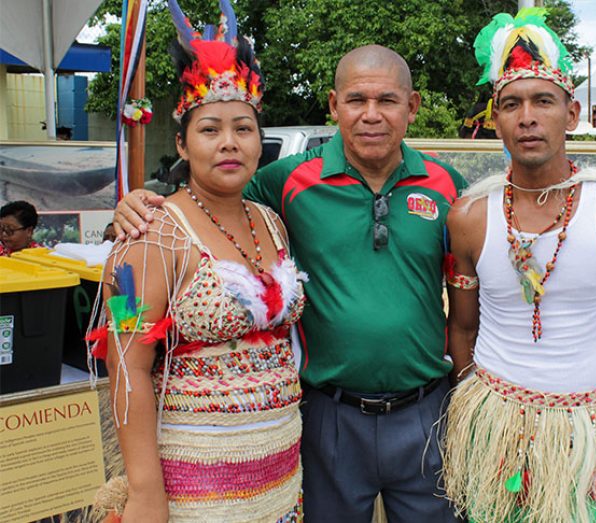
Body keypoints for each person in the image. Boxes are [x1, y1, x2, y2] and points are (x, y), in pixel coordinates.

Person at [112, 45, 467, 522]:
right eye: (356, 99)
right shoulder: (285, 183)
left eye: (387, 100)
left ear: (413, 106)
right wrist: (136, 205)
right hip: (316, 421)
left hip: (417, 411)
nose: (371, 115)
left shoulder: (446, 185)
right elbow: (124, 354)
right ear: (333, 105)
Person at [441, 10, 596, 522]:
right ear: (493, 118)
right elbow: (463, 325)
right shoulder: (469, 217)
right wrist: (473, 413)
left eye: (544, 101)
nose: (527, 117)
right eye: (511, 104)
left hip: (591, 432)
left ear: (573, 111)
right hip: (493, 427)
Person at [86, 2, 306, 521]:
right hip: (194, 487)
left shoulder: (270, 221)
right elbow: (125, 363)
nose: (229, 143)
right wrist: (144, 492)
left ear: (259, 142)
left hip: (281, 477)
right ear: (182, 143)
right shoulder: (151, 234)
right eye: (210, 130)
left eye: (244, 129)